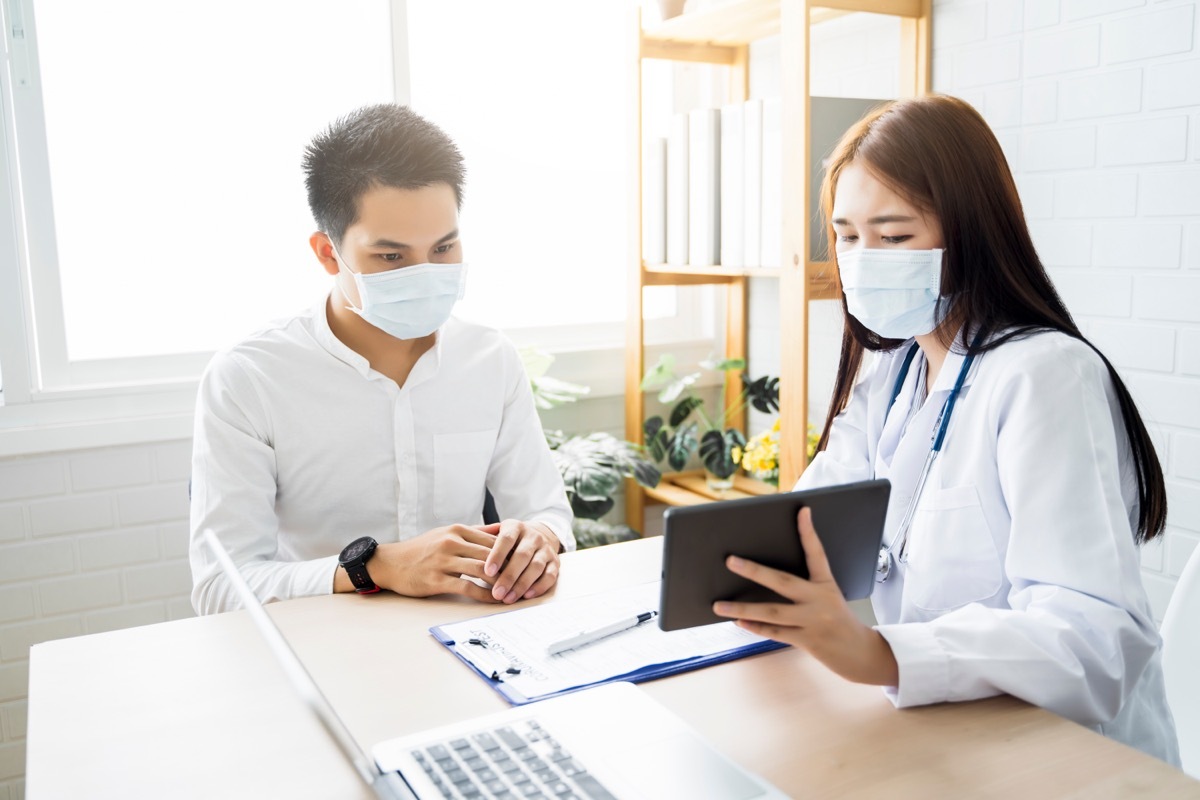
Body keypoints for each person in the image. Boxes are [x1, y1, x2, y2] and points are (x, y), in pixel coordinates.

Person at [712, 94, 1181, 765]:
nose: (865, 258)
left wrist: (880, 653)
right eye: (847, 236)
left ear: (972, 233)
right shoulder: (895, 373)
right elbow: (806, 529)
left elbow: (1095, 641)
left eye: (895, 236)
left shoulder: (1044, 376)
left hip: (1067, 759)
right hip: (948, 738)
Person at [189, 104, 573, 615]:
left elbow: (546, 511)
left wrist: (539, 540)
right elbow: (220, 587)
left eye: (443, 248)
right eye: (391, 257)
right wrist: (375, 566)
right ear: (328, 253)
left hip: (476, 637)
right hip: (321, 646)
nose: (425, 274)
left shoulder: (489, 359)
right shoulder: (249, 378)